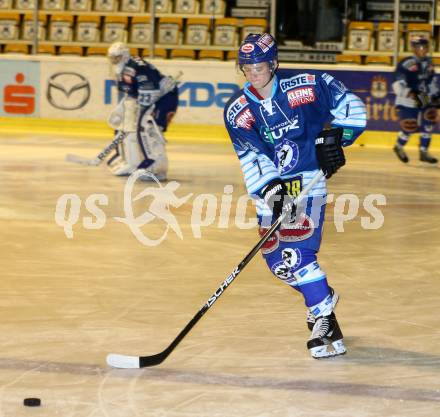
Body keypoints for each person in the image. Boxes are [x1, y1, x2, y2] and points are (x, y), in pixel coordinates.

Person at [223, 33, 366, 359]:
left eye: (259, 66)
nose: (254, 74)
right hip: (270, 189)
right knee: (276, 260)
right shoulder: (238, 111)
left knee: (298, 255)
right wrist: (272, 192)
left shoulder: (307, 87)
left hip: (308, 181)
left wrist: (335, 137)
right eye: (247, 67)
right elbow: (250, 156)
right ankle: (322, 298)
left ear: (274, 64)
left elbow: (351, 106)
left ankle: (324, 319)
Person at [106, 42, 179, 179]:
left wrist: (138, 114)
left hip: (164, 98)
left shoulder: (137, 67)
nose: (114, 61)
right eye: (112, 58)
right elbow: (133, 94)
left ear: (125, 55)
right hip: (153, 96)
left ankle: (156, 168)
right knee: (126, 126)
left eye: (117, 57)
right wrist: (124, 110)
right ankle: (131, 163)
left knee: (148, 129)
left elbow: (150, 92)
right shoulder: (124, 70)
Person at [392, 36, 439, 164]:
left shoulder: (428, 63)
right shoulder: (406, 63)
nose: (423, 50)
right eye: (420, 47)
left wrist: (435, 96)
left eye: (425, 47)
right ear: (413, 48)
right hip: (407, 99)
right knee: (410, 126)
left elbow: (431, 82)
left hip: (422, 96)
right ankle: (399, 146)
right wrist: (410, 93)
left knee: (429, 119)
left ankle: (424, 151)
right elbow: (397, 83)